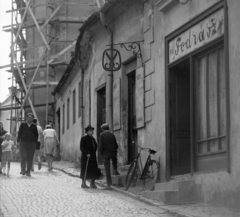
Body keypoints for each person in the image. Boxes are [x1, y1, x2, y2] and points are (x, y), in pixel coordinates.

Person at [99, 123, 120, 190]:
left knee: (107, 169)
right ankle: (115, 170)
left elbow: (101, 146)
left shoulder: (102, 135)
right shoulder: (112, 135)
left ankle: (108, 185)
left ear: (102, 129)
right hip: (113, 153)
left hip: (106, 154)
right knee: (114, 162)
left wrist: (101, 153)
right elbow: (116, 145)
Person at [17, 113, 38, 177]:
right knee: (23, 156)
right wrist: (18, 141)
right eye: (28, 117)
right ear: (26, 118)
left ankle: (28, 171)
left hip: (31, 144)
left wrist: (34, 142)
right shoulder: (23, 125)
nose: (30, 118)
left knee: (30, 157)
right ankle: (23, 170)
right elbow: (19, 133)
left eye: (31, 117)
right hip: (23, 143)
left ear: (32, 119)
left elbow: (36, 135)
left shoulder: (34, 126)